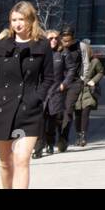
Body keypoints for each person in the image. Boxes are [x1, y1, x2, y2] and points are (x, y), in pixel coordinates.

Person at [0, 1, 55, 189]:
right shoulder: (1, 45)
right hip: (1, 108)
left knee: (22, 160)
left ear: (31, 20)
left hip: (29, 110)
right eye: (14, 20)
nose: (17, 24)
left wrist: (37, 98)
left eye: (21, 19)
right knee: (6, 163)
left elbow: (48, 78)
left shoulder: (43, 44)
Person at [52, 28, 84, 152]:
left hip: (74, 83)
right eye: (64, 39)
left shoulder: (79, 47)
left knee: (68, 110)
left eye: (69, 39)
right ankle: (60, 135)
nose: (66, 42)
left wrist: (84, 80)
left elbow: (85, 63)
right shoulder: (56, 49)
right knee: (58, 112)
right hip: (59, 83)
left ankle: (63, 138)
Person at [36, 30, 66, 159]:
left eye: (56, 38)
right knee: (40, 119)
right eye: (50, 38)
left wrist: (64, 83)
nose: (53, 40)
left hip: (56, 91)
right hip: (41, 91)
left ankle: (50, 143)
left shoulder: (62, 55)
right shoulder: (38, 54)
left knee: (52, 120)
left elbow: (70, 71)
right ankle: (39, 146)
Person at [72, 41, 103, 147]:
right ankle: (78, 135)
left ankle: (84, 136)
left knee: (85, 113)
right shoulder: (76, 62)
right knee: (77, 115)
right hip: (77, 91)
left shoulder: (95, 61)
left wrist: (93, 81)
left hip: (89, 91)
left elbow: (101, 72)